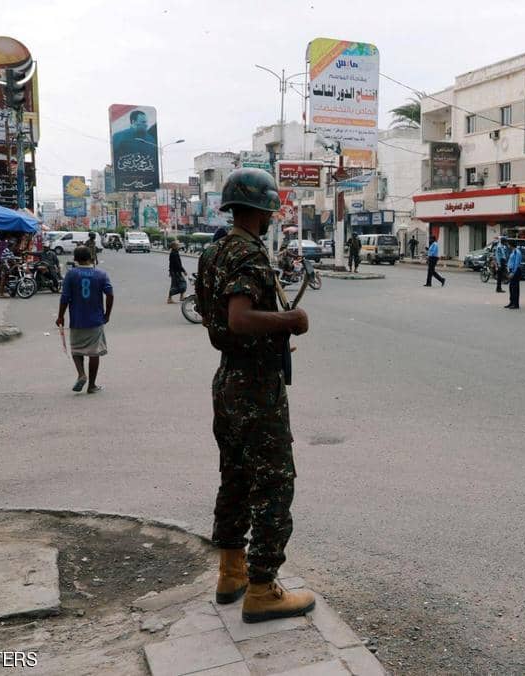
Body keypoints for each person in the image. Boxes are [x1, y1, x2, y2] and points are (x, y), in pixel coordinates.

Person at [194, 167, 315, 623]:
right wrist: (290, 321)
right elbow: (241, 318)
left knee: (236, 476)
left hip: (228, 380)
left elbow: (222, 320)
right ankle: (263, 588)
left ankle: (231, 571)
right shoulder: (248, 254)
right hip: (254, 386)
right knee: (274, 482)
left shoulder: (215, 252)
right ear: (264, 210)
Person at [57, 246, 113, 393]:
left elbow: (65, 298)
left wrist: (60, 316)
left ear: (75, 259)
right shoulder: (101, 274)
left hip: (77, 319)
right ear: (91, 258)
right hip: (95, 319)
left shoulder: (71, 275)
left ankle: (81, 374)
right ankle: (92, 385)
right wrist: (107, 314)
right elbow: (110, 294)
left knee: (77, 349)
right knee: (94, 352)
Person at [504, 242, 522, 309]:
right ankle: (511, 302)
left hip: (516, 271)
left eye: (509, 244)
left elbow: (516, 263)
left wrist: (513, 272)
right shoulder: (513, 251)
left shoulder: (517, 252)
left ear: (511, 245)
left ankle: (516, 304)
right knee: (511, 288)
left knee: (515, 288)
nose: (508, 246)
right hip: (511, 270)